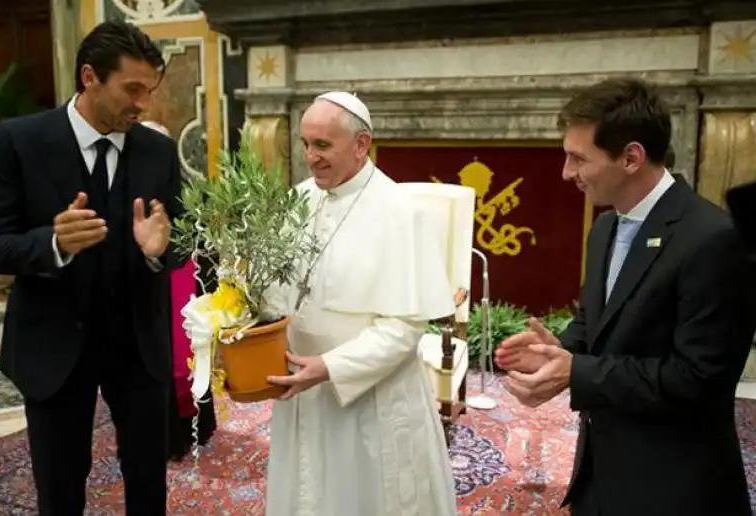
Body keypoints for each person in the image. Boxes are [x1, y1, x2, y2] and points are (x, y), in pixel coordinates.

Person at [495, 78, 756, 516]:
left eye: (578, 158)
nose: (566, 173)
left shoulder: (714, 239)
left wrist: (577, 373)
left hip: (675, 489)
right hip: (601, 478)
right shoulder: (604, 228)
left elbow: (700, 380)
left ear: (631, 157)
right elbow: (597, 321)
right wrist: (558, 350)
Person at [0, 21, 184, 515]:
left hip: (138, 344)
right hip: (52, 345)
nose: (144, 105)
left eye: (149, 92)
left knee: (149, 483)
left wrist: (160, 249)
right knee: (61, 486)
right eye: (132, 89)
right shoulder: (18, 141)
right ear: (90, 77)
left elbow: (181, 236)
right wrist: (51, 242)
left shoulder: (158, 149)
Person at [263, 91, 458, 516]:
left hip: (369, 399)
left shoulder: (400, 213)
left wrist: (331, 367)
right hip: (302, 389)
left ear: (361, 144)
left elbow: (404, 330)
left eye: (323, 145)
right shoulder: (297, 201)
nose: (311, 157)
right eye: (305, 143)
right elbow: (278, 295)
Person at [139, 119, 217, 460]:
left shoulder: (183, 190)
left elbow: (199, 235)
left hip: (179, 277)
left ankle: (188, 430)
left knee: (182, 350)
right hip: (143, 285)